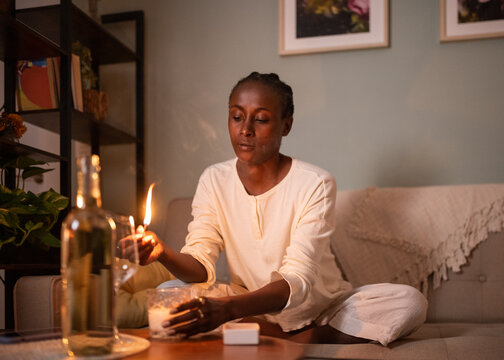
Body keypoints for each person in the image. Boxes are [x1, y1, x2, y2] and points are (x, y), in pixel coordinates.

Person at [137, 72, 427, 345]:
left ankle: (294, 338)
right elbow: (200, 267)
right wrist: (162, 252)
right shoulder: (214, 179)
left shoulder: (315, 182)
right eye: (237, 117)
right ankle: (272, 332)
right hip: (248, 304)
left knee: (410, 303)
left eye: (260, 120)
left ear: (285, 125)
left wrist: (226, 311)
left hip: (319, 309)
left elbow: (297, 280)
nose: (245, 130)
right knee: (169, 295)